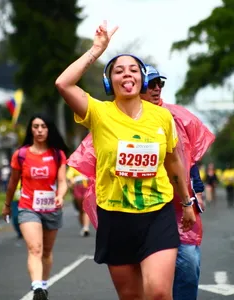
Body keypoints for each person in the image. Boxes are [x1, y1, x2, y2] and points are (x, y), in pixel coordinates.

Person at [56, 20, 196, 300]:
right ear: (110, 81)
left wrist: (186, 202)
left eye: (134, 69)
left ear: (142, 78)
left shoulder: (162, 117)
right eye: (119, 70)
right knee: (132, 296)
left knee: (158, 292)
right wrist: (97, 50)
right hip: (115, 216)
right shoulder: (98, 112)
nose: (127, 74)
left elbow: (173, 163)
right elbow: (63, 83)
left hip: (157, 213)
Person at [68, 64, 215, 300]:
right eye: (153, 84)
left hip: (165, 208)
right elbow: (97, 164)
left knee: (182, 268)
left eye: (160, 84)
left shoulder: (169, 117)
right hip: (120, 212)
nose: (157, 89)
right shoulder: (105, 117)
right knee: (134, 292)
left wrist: (192, 194)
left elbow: (184, 160)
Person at [2, 113, 68, 300]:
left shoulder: (57, 154)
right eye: (36, 126)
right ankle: (37, 286)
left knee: (46, 252)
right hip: (28, 207)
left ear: (49, 129)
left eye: (43, 126)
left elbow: (62, 181)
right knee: (35, 248)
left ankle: (43, 286)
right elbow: (12, 183)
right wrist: (7, 205)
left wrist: (60, 196)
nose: (39, 130)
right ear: (30, 129)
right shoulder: (21, 155)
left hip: (51, 208)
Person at [66, 166, 91, 236]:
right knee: (81, 210)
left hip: (87, 187)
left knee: (85, 209)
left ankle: (86, 227)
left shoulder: (89, 163)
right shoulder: (74, 166)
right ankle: (83, 227)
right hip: (77, 188)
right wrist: (72, 180)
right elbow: (69, 176)